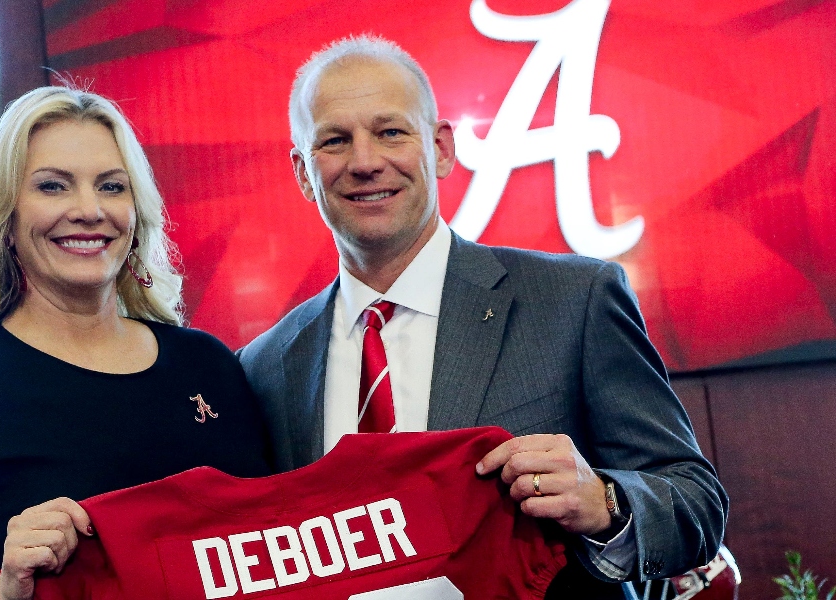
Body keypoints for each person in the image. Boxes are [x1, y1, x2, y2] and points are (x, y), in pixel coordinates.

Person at [237, 36, 727, 598]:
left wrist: (605, 502)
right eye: (334, 141)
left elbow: (695, 503)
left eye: (391, 131)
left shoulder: (575, 300)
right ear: (303, 172)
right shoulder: (265, 366)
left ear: (442, 148)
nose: (366, 162)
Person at [0, 86, 272, 600]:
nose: (89, 209)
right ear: (5, 218)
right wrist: (5, 593)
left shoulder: (208, 367)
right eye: (53, 187)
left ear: (136, 215)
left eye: (112, 187)